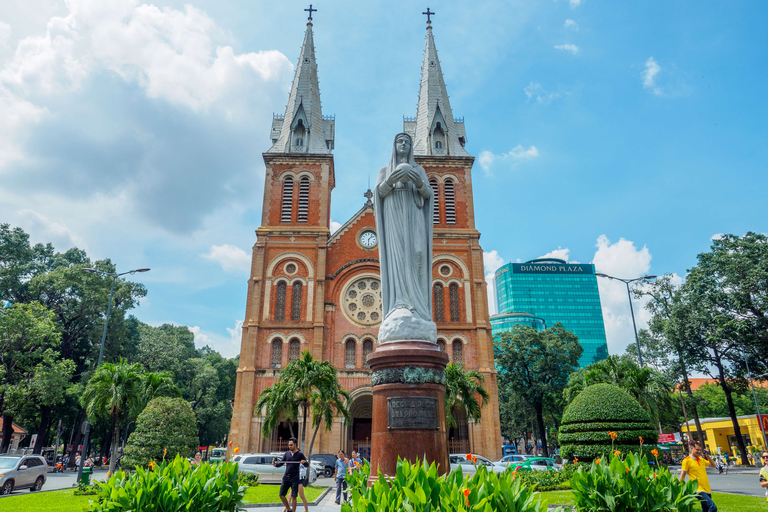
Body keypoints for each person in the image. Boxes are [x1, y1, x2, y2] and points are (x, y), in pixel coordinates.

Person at [373, 133, 436, 343]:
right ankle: (400, 303)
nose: (403, 144)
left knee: (418, 255)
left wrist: (419, 183)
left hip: (415, 218)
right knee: (398, 259)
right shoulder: (385, 170)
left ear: (411, 147)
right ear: (394, 146)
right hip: (394, 222)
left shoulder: (419, 170)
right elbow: (379, 193)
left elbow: (428, 194)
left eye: (407, 142)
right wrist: (391, 180)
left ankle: (417, 307)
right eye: (400, 141)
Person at [679, 441, 717, 512]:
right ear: (691, 448)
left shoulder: (701, 459)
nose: (699, 451)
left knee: (705, 509)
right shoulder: (687, 460)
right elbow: (683, 475)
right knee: (713, 507)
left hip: (707, 488)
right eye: (697, 449)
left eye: (700, 450)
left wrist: (707, 456)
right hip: (698, 489)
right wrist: (680, 487)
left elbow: (713, 465)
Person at [273, 437, 308, 512]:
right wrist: (276, 464)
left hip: (295, 478)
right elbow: (281, 463)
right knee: (281, 495)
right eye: (289, 445)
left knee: (294, 496)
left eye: (291, 445)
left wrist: (304, 462)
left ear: (295, 444)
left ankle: (293, 511)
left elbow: (307, 465)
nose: (290, 446)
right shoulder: (287, 454)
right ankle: (289, 509)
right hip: (286, 477)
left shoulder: (300, 454)